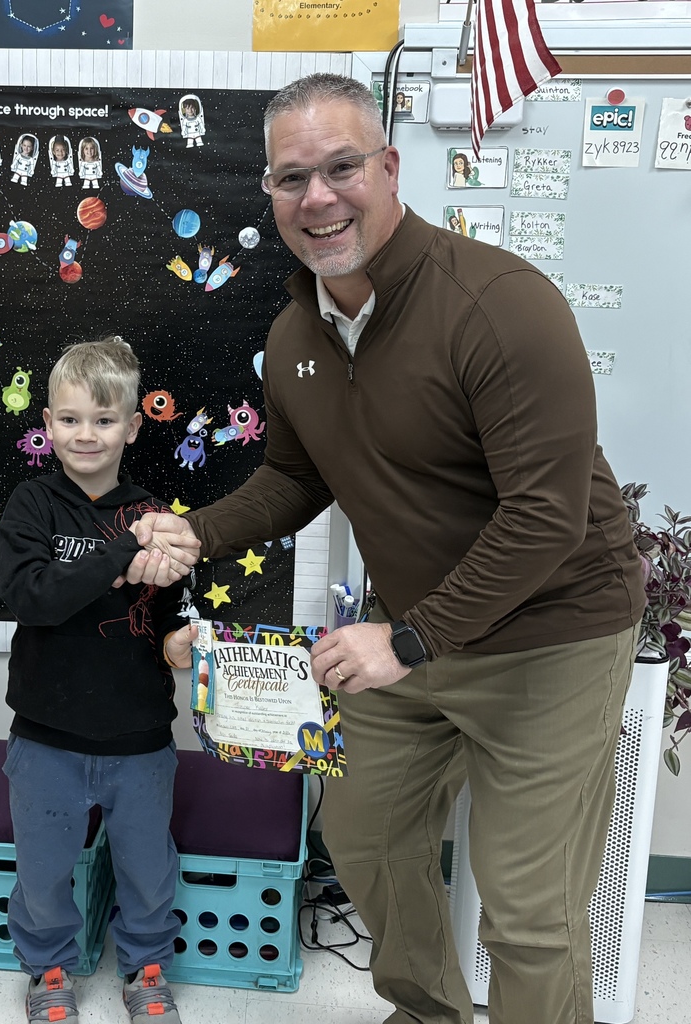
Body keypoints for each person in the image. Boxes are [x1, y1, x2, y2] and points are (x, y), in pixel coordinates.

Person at [129, 73, 646, 1024]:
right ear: (272, 196)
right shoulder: (295, 334)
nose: (318, 197)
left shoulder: (499, 305)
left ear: (389, 167)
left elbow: (545, 517)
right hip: (413, 637)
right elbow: (296, 477)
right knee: (362, 838)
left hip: (552, 640)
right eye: (293, 178)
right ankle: (428, 1012)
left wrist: (404, 641)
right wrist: (196, 530)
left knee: (528, 915)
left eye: (341, 167)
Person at [0, 336, 193, 1024]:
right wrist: (120, 554)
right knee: (44, 870)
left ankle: (144, 967)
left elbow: (166, 621)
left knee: (147, 869)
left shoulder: (158, 515)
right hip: (46, 735)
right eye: (71, 419)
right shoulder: (30, 505)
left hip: (140, 736)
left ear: (133, 427)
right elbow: (33, 598)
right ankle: (48, 968)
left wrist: (182, 642)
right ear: (46, 423)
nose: (87, 434)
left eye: (104, 420)